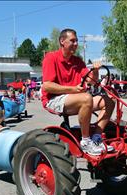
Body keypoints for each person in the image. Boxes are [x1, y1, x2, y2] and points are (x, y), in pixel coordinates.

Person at [41, 28, 115, 156]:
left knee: (109, 100)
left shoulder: (78, 61)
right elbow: (47, 86)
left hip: (75, 98)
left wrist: (95, 70)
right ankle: (85, 141)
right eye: (73, 41)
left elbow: (92, 81)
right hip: (54, 99)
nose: (76, 44)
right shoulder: (51, 58)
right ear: (62, 41)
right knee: (86, 98)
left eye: (77, 41)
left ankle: (96, 138)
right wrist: (73, 89)